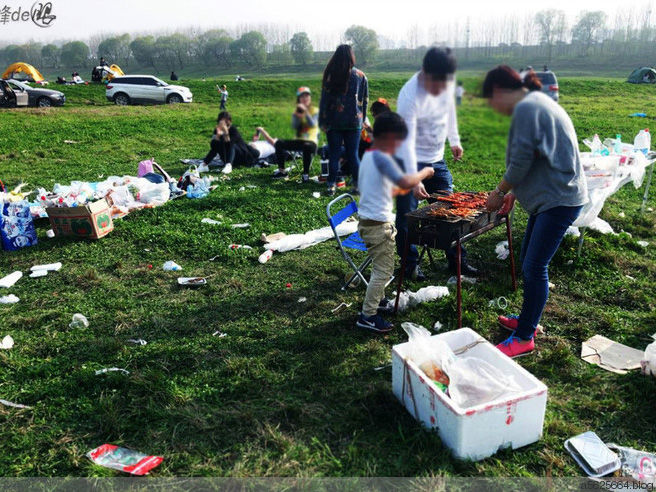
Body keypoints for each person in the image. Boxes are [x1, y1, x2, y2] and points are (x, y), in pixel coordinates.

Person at [482, 65, 588, 358]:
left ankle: (525, 336)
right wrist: (517, 192)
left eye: (492, 101)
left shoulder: (527, 108)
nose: (494, 108)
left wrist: (500, 191)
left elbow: (521, 161)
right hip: (550, 196)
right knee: (530, 255)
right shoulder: (534, 102)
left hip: (559, 198)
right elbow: (540, 154)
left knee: (534, 266)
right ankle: (528, 319)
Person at [395, 47, 475, 281]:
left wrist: (455, 140)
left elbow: (450, 112)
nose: (442, 88)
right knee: (407, 216)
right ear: (425, 73)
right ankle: (409, 264)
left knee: (450, 210)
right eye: (437, 83)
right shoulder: (409, 95)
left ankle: (457, 261)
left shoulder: (445, 82)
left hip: (437, 160)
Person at [355, 112, 435, 332]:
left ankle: (378, 302)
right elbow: (403, 180)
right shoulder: (382, 157)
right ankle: (367, 316)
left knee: (380, 267)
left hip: (367, 222)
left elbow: (387, 186)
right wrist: (424, 173)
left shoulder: (370, 155)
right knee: (383, 271)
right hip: (378, 226)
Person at [319, 44, 369, 196]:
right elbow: (365, 100)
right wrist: (363, 119)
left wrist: (322, 121)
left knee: (334, 154)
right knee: (353, 155)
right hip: (354, 122)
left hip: (334, 122)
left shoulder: (330, 75)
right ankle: (358, 186)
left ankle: (331, 185)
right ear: (351, 57)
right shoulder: (360, 76)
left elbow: (324, 101)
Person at [272, 86, 319, 182]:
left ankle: (305, 174)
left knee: (306, 146)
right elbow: (294, 126)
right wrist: (296, 116)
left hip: (311, 142)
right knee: (279, 143)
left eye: (307, 96)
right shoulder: (297, 111)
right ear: (299, 99)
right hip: (299, 140)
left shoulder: (315, 110)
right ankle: (282, 171)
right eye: (302, 97)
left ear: (310, 97)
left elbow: (312, 124)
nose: (305, 98)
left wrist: (305, 112)